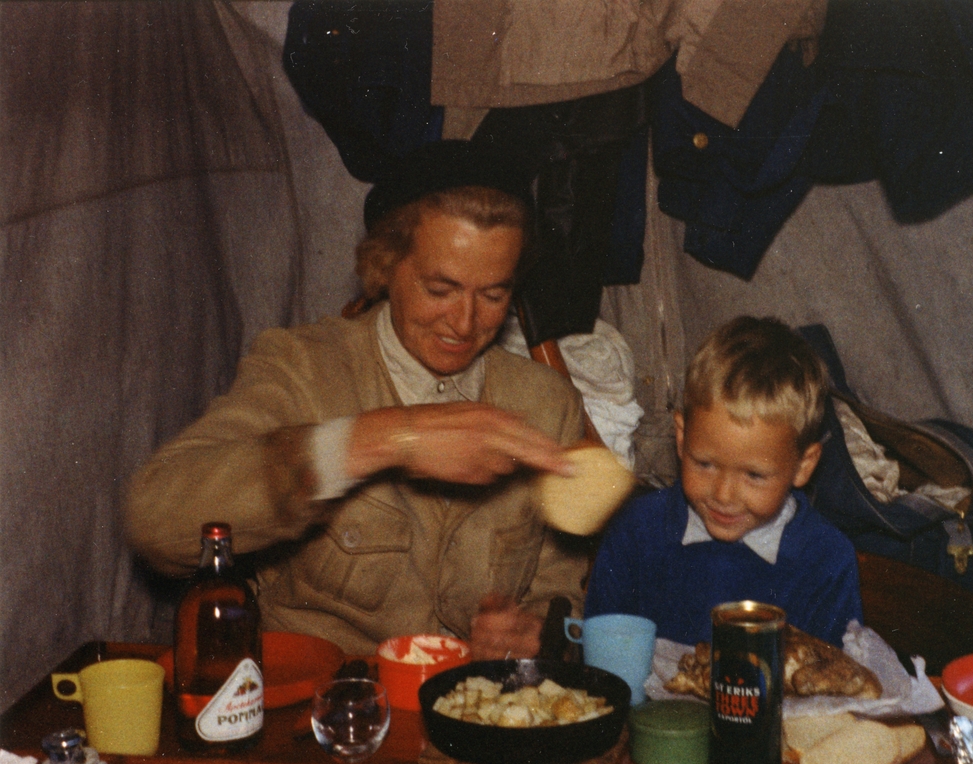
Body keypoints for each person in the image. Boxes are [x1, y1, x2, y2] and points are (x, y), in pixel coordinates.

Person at [124, 140, 588, 661]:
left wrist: (541, 632)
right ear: (385, 266)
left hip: (474, 712)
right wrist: (385, 438)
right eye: (440, 290)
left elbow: (563, 585)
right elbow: (153, 519)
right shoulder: (303, 368)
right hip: (319, 708)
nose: (464, 323)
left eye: (494, 295)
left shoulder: (545, 403)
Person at [585, 315, 863, 648]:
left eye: (754, 475)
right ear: (682, 437)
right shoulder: (635, 532)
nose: (723, 494)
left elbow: (835, 688)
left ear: (803, 466)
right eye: (705, 464)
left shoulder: (826, 560)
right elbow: (601, 663)